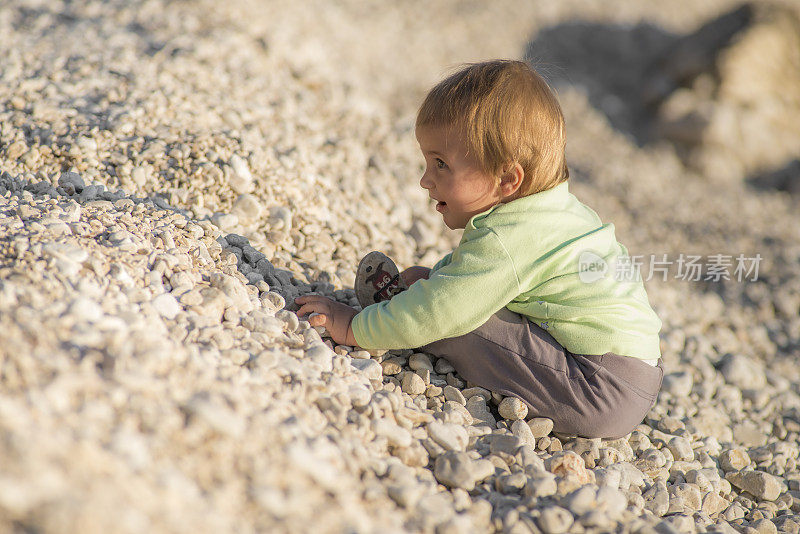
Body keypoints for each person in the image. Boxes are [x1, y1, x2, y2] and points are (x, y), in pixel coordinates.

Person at [296, 60, 663, 438]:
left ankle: (397, 315)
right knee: (461, 292)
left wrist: (354, 327)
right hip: (633, 373)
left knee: (460, 322)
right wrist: (441, 277)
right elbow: (488, 274)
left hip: (597, 391)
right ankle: (411, 303)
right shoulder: (554, 212)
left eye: (441, 164)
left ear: (507, 178)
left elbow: (448, 309)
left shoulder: (509, 238)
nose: (425, 180)